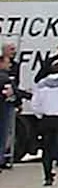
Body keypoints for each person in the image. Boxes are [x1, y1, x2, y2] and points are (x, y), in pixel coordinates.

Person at [1, 43, 23, 171]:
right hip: (2, 100)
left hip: (10, 100)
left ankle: (5, 157)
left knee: (8, 131)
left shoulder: (16, 65)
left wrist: (18, 101)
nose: (13, 52)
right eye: (11, 49)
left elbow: (16, 84)